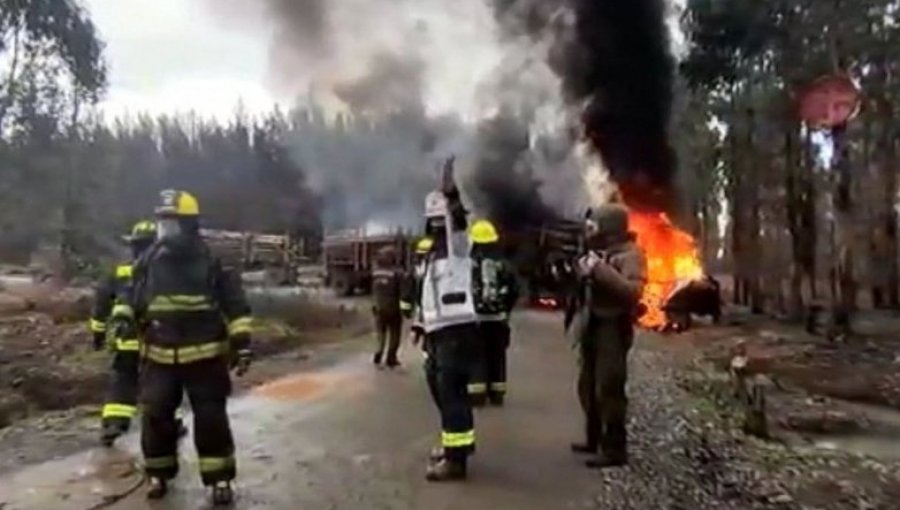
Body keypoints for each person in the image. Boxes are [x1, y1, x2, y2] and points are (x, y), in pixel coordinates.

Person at [129, 189, 253, 505]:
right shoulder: (149, 259)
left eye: (171, 224)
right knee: (156, 415)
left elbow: (235, 305)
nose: (164, 231)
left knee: (210, 418)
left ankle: (219, 479)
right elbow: (134, 299)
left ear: (189, 224)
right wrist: (123, 320)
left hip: (205, 357)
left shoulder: (212, 261)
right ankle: (157, 473)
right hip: (159, 356)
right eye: (162, 223)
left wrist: (242, 344)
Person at [567, 203, 646, 469]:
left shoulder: (631, 255)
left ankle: (614, 449)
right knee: (587, 385)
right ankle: (593, 438)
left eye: (595, 226)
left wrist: (599, 270)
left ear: (610, 228)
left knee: (608, 387)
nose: (591, 231)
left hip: (613, 326)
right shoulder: (598, 252)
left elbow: (633, 292)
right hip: (593, 323)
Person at [415, 158, 479, 481]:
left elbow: (458, 223)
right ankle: (454, 444)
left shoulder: (458, 247)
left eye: (438, 222)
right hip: (438, 332)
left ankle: (456, 462)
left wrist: (451, 195)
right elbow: (426, 296)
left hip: (456, 331)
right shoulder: (431, 256)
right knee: (439, 388)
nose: (435, 227)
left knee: (452, 393)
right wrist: (420, 325)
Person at [90, 220, 156, 446]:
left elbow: (102, 303)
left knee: (122, 380)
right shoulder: (165, 271)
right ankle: (167, 425)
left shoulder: (119, 270)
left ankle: (113, 423)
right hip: (157, 339)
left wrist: (97, 332)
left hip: (125, 338)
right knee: (160, 382)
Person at [468, 219, 519, 407]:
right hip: (498, 320)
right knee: (497, 355)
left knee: (476, 356)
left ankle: (476, 395)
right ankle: (497, 394)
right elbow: (515, 290)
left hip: (475, 320)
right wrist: (506, 310)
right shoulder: (504, 264)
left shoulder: (468, 265)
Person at [371, 246, 405, 368]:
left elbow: (374, 291)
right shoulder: (397, 273)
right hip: (393, 308)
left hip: (379, 308)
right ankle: (391, 358)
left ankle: (378, 354)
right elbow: (402, 292)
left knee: (381, 334)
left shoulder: (376, 272)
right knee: (395, 334)